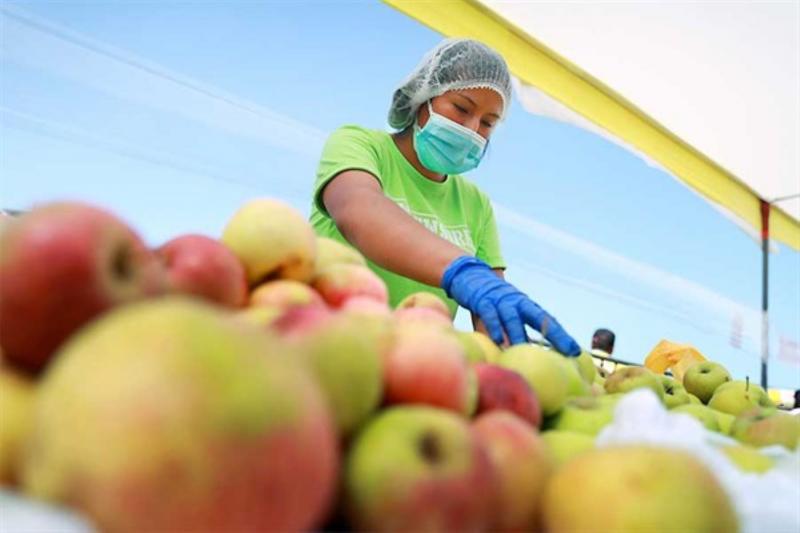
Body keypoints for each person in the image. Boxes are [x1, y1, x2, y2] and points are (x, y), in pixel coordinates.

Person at [309, 38, 580, 355]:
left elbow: (490, 312)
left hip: (416, 369)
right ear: (424, 96)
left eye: (488, 123)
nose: (472, 129)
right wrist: (461, 270)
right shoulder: (360, 145)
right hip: (325, 348)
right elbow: (359, 210)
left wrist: (522, 363)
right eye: (462, 108)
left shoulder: (476, 205)